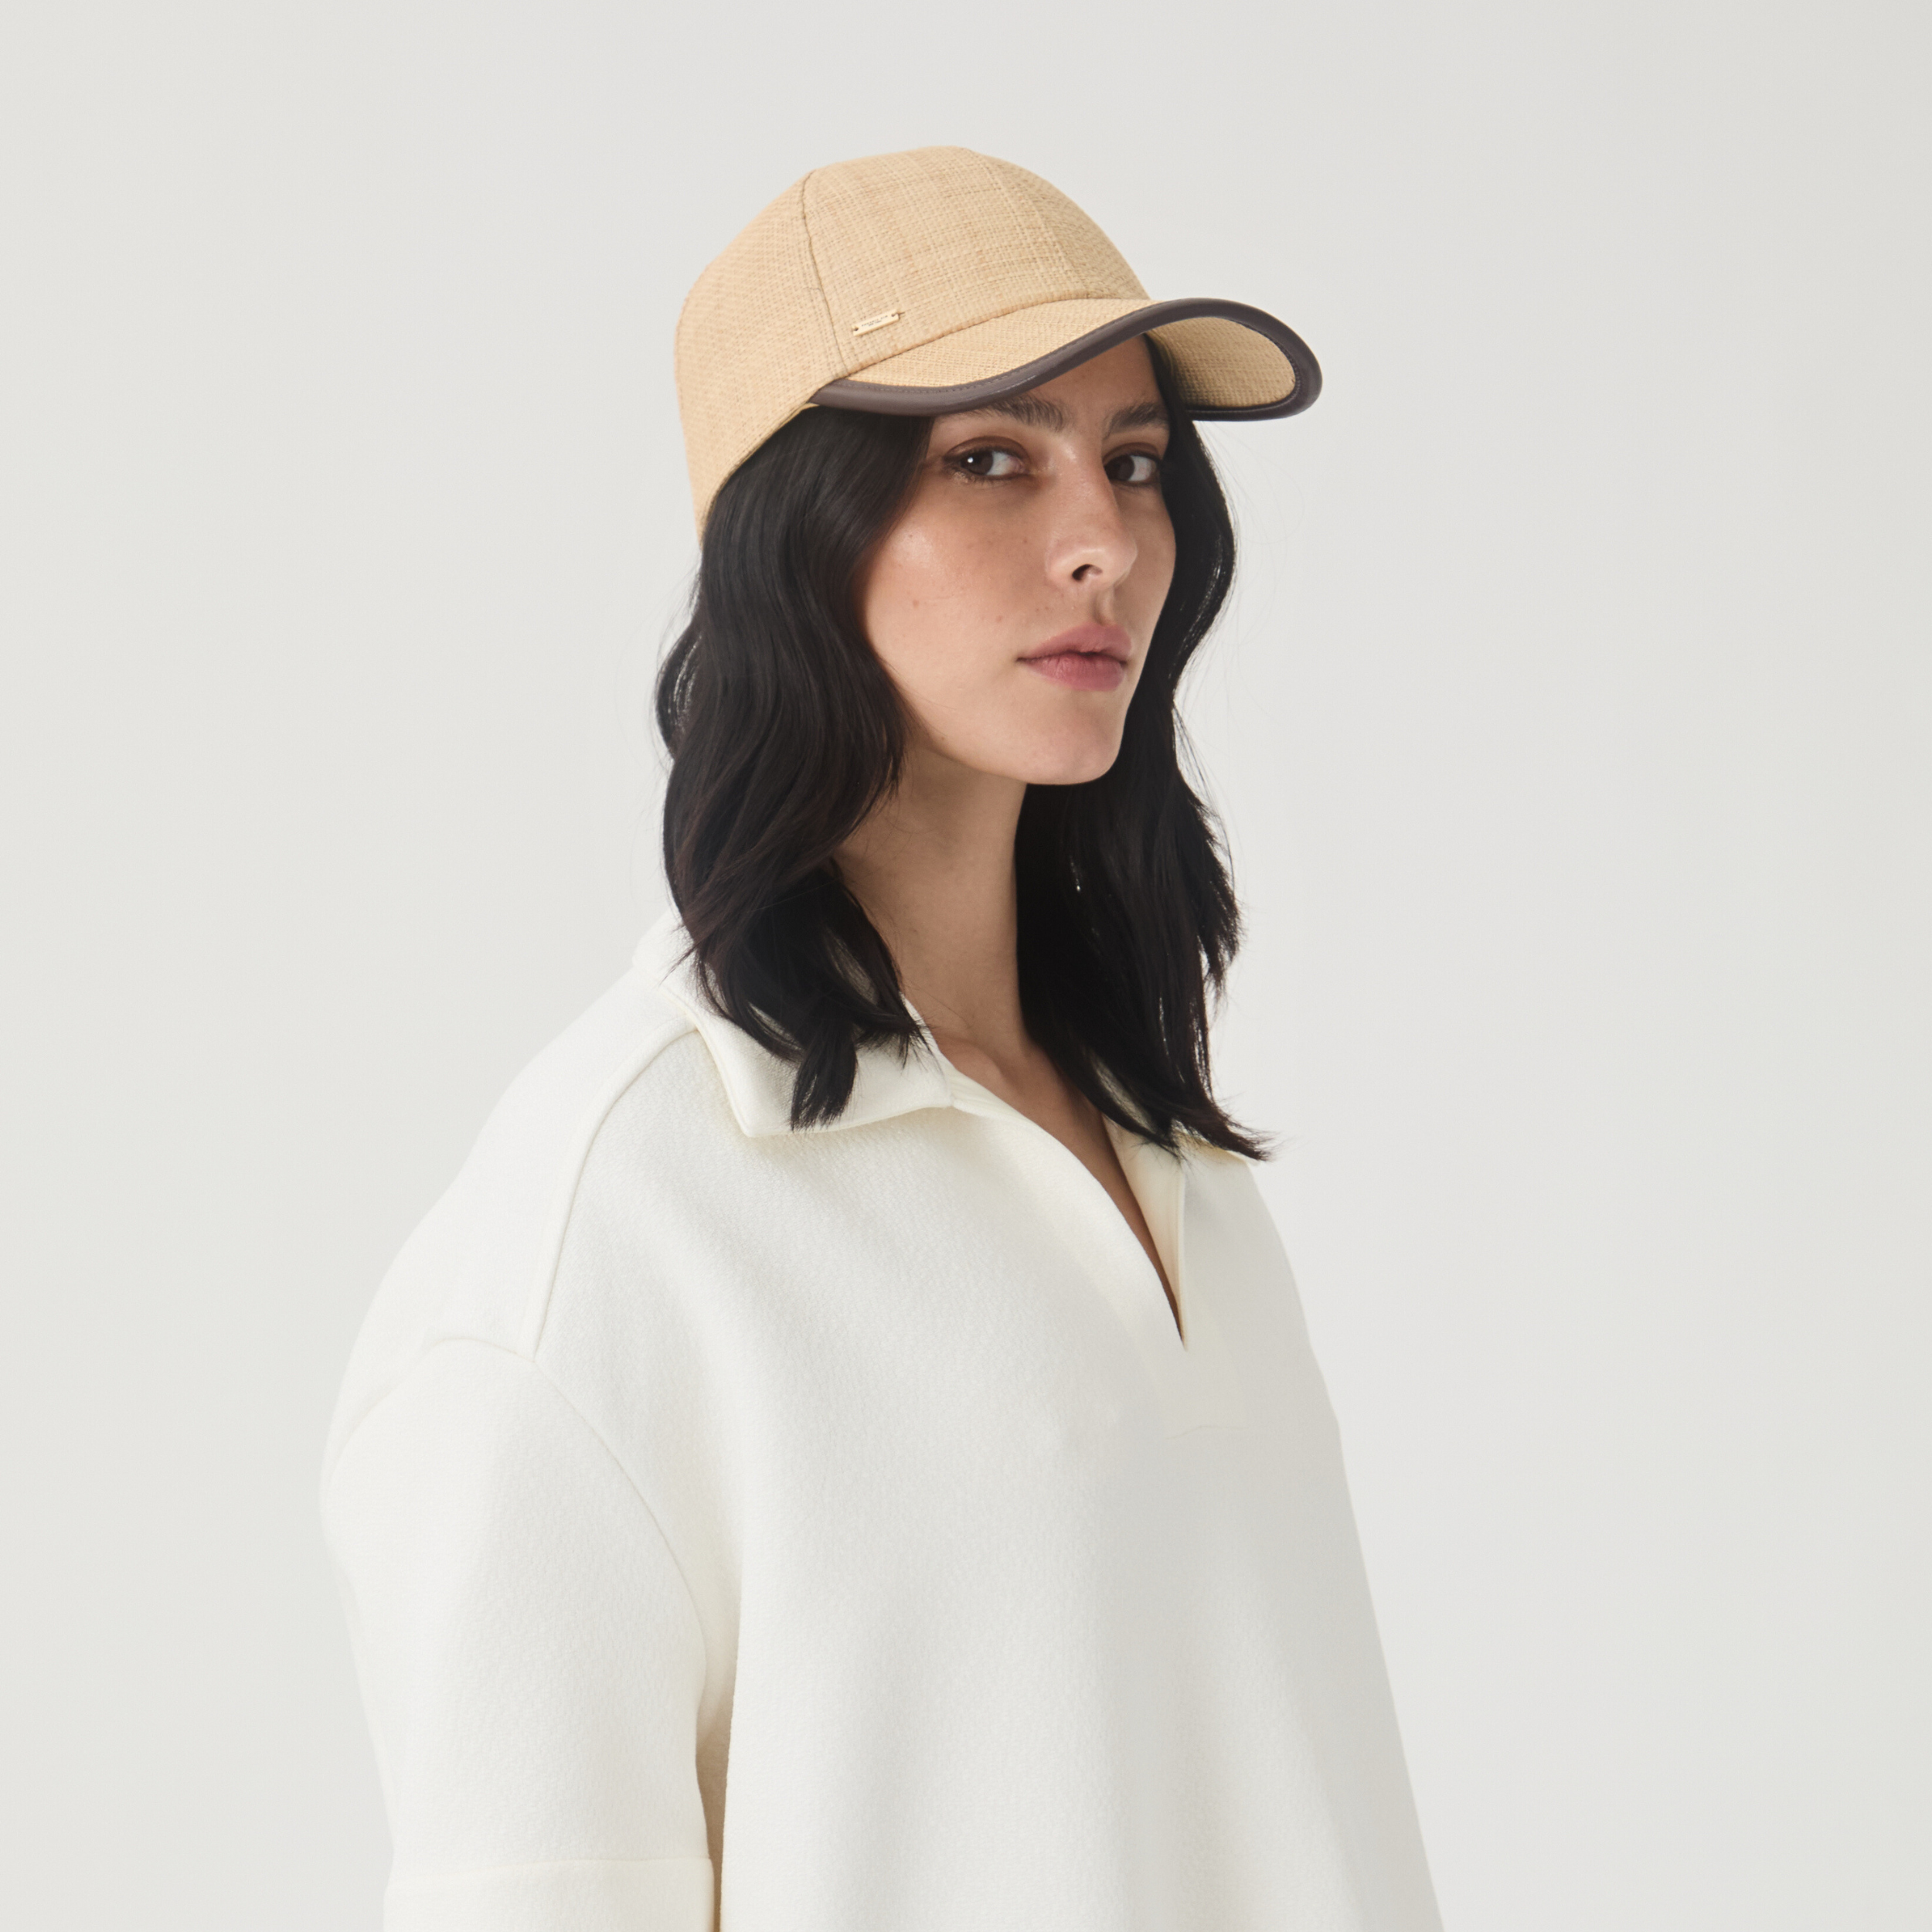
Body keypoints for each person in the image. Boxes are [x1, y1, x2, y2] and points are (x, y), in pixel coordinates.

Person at [322, 145, 1443, 1932]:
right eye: (989, 457)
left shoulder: (1172, 1156)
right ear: (796, 530)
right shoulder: (608, 1235)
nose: (1103, 538)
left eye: (1132, 459)